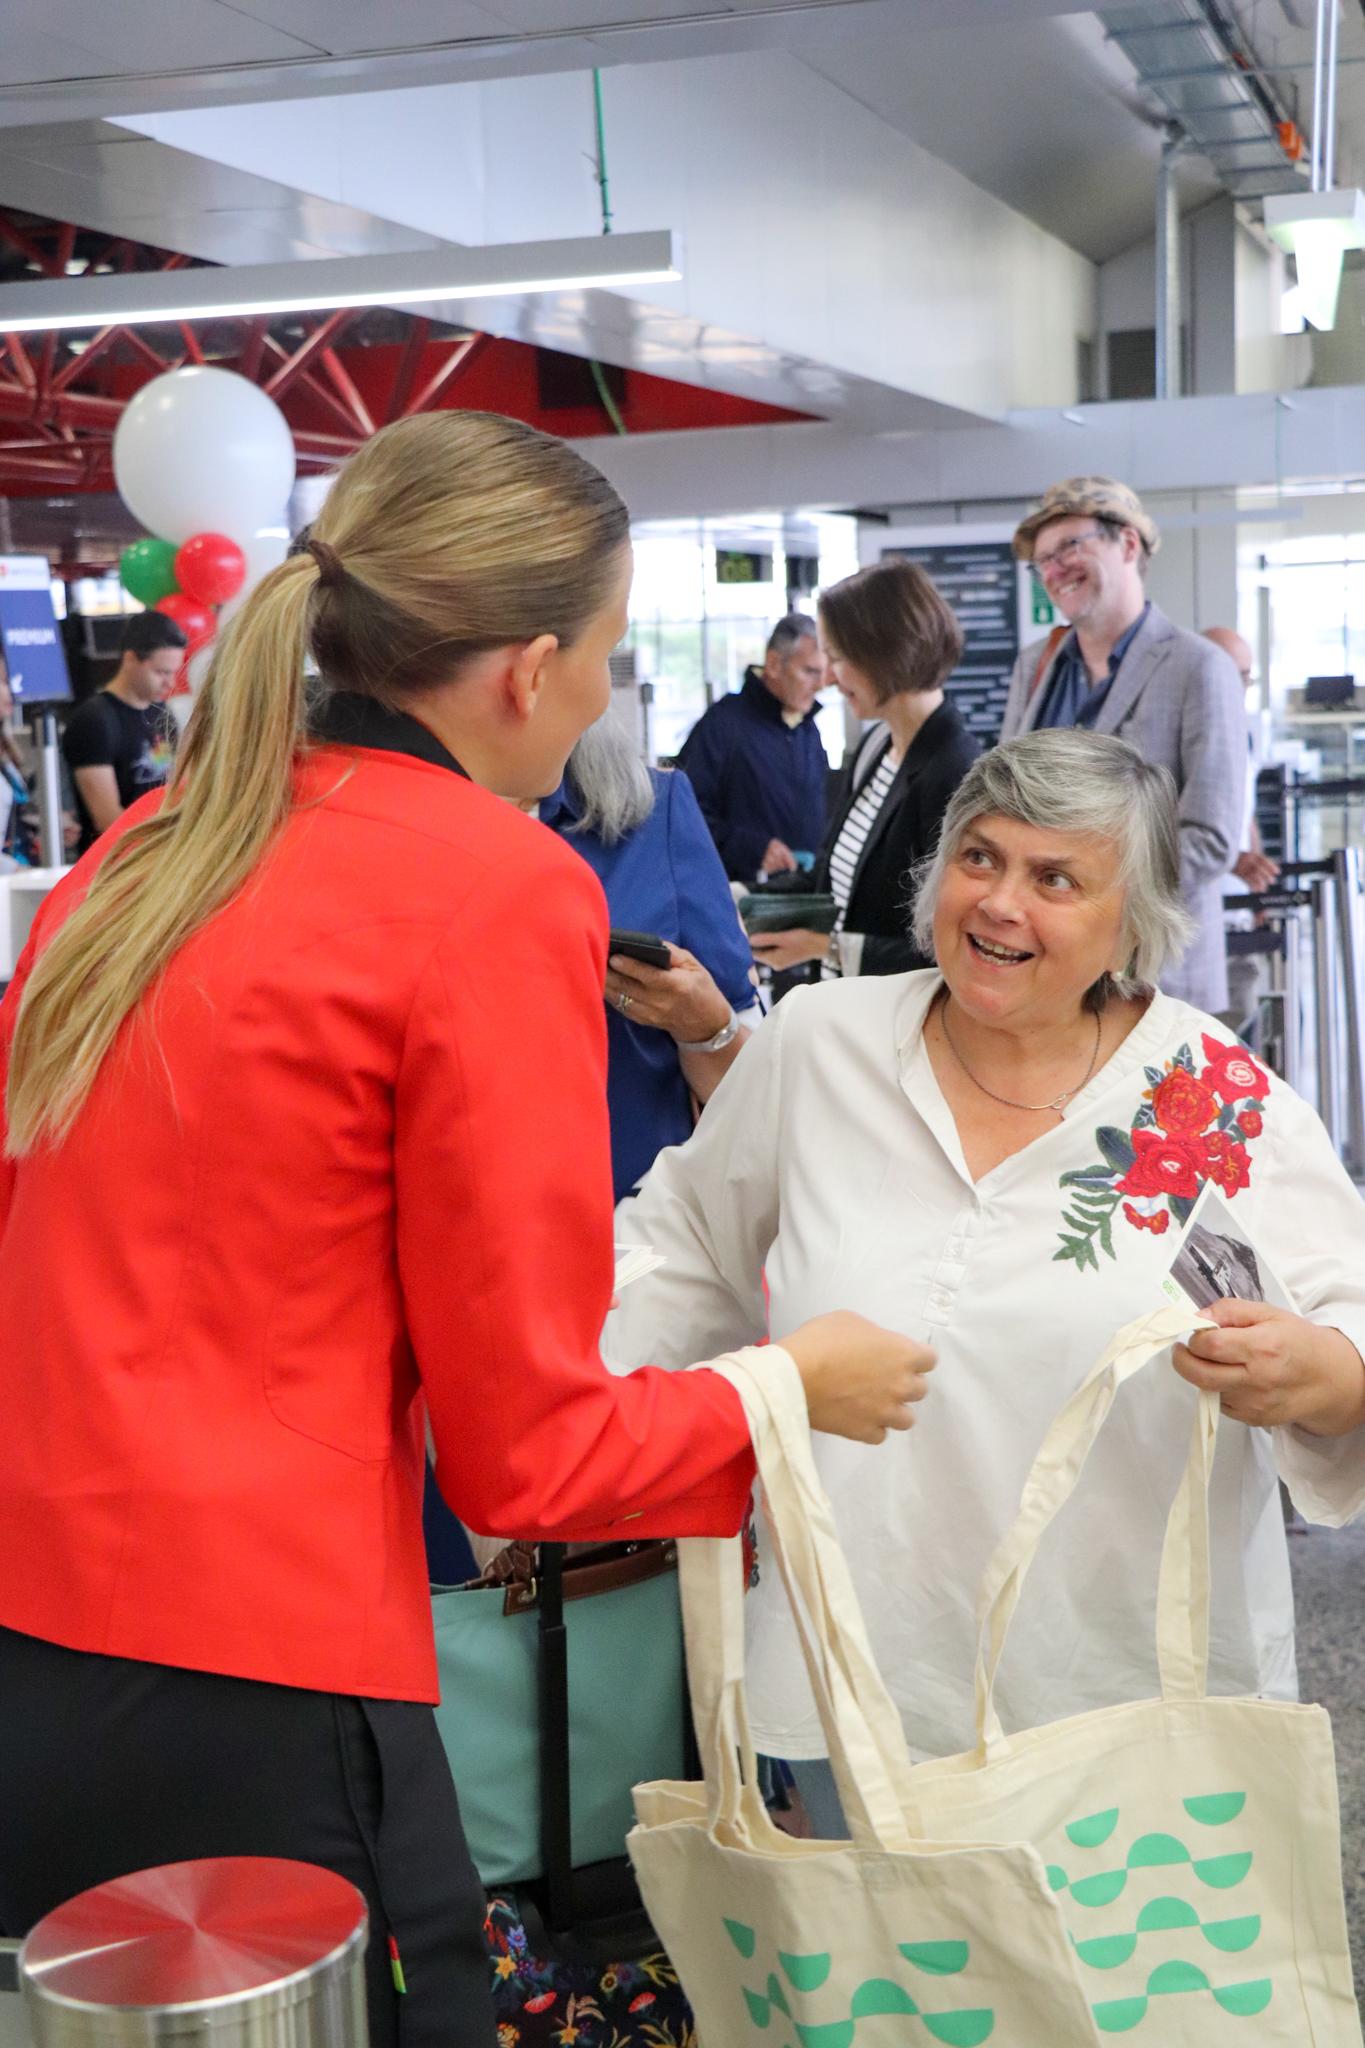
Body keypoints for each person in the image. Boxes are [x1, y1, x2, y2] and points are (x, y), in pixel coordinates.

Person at [0, 411, 932, 2047]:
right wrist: (785, 1397)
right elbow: (531, 1453)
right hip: (264, 1668)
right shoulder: (491, 888)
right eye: (610, 653)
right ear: (527, 667)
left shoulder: (141, 853)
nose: (603, 693)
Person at [609, 728, 1365, 1840]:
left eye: (1054, 877)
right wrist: (557, 1407)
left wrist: (1322, 1375)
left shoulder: (1210, 1095)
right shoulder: (822, 1046)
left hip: (1125, 1712)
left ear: (1132, 918)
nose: (1001, 902)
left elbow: (1349, 1330)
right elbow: (676, 1253)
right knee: (878, 2003)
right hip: (853, 1692)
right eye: (980, 857)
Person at [1001, 477, 1246, 1016]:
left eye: (1069, 546)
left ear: (1128, 544)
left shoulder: (1199, 666)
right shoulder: (1034, 666)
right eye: (1041, 560)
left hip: (1155, 980)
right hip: (1044, 975)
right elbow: (1005, 801)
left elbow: (1211, 837)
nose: (1053, 569)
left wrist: (1084, 896)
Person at [539, 711, 758, 1201]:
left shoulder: (655, 814)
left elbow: (750, 1073)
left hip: (631, 1211)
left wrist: (703, 1025)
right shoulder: (391, 822)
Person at [746, 558, 979, 982]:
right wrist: (744, 900)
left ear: (884, 653)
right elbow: (832, 876)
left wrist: (825, 947)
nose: (829, 680)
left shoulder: (954, 771)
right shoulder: (878, 744)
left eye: (837, 658)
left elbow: (950, 948)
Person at [676, 613, 829, 882]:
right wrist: (751, 850)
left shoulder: (806, 728)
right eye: (809, 671)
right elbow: (683, 812)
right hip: (737, 891)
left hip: (801, 889)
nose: (820, 686)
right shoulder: (722, 725)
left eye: (823, 674)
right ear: (772, 664)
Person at [61, 611, 185, 853]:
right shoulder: (94, 721)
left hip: (157, 856)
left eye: (173, 673)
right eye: (161, 672)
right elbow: (108, 820)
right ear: (130, 659)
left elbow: (177, 786)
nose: (170, 684)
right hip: (114, 865)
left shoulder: (161, 713)